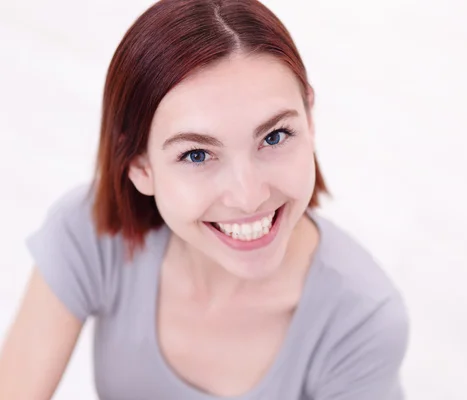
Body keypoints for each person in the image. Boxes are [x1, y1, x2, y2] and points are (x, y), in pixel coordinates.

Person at [0, 0, 409, 399]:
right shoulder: (91, 233)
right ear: (140, 166)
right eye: (197, 155)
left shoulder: (361, 321)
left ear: (310, 119)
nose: (249, 197)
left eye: (274, 136)